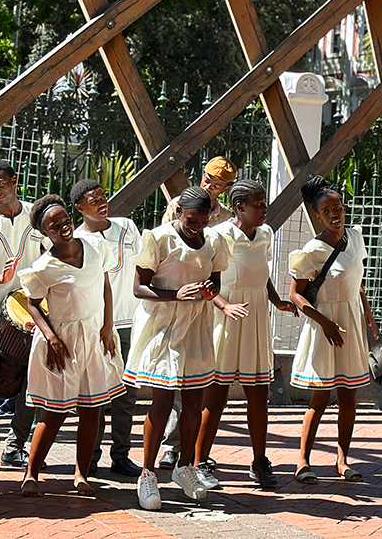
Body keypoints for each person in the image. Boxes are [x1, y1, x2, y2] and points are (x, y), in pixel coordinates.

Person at [125, 186, 232, 511]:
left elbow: (214, 284)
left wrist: (214, 296)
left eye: (201, 221)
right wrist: (176, 295)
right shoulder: (158, 239)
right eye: (190, 220)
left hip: (196, 326)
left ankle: (185, 467)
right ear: (179, 213)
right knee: (162, 401)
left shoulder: (214, 242)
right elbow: (139, 287)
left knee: (194, 401)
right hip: (163, 325)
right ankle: (147, 474)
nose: (195, 226)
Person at [19, 195, 125, 498]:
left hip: (94, 336)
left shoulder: (94, 246)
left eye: (64, 219)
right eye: (54, 225)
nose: (63, 226)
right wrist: (51, 337)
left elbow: (105, 285)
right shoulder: (44, 267)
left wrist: (107, 326)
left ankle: (81, 474)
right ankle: (31, 474)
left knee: (92, 409)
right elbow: (32, 303)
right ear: (45, 233)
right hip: (63, 343)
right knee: (55, 412)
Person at [194, 180, 298, 489]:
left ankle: (259, 461)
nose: (265, 209)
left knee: (258, 395)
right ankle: (200, 461)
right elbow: (206, 282)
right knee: (216, 396)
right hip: (224, 319)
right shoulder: (218, 236)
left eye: (264, 203)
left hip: (255, 320)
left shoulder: (265, 234)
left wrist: (276, 299)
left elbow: (260, 275)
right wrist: (225, 306)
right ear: (240, 208)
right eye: (259, 204)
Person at [289, 176, 377, 486]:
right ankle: (303, 461)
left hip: (350, 321)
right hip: (325, 323)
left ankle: (342, 460)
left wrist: (368, 315)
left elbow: (357, 280)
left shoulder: (354, 237)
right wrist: (323, 321)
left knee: (349, 396)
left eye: (338, 207)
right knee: (320, 397)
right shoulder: (312, 250)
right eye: (327, 211)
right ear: (317, 214)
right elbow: (295, 295)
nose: (335, 214)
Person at [159, 156, 237, 470]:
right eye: (207, 179)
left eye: (217, 185)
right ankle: (169, 447)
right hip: (177, 299)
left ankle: (190, 449)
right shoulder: (180, 204)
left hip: (210, 302)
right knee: (173, 377)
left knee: (199, 379)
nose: (210, 186)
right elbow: (167, 244)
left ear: (226, 188)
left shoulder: (227, 217)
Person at [0, 160, 45, 473]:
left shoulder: (36, 216)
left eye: (0, 183)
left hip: (34, 308)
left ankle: (15, 446)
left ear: (14, 181)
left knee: (34, 380)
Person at [71, 178, 142, 478]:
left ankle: (121, 455)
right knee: (96, 393)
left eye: (103, 196)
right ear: (79, 207)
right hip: (100, 327)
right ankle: (91, 456)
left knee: (128, 394)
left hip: (132, 322)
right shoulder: (77, 240)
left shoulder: (127, 227)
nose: (102, 202)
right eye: (93, 199)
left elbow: (142, 266)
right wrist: (101, 326)